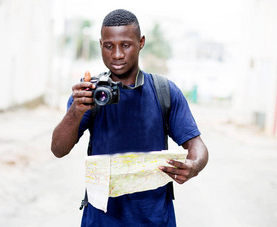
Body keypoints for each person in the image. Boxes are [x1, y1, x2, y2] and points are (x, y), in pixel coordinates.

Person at [51, 9, 208, 226]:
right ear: (100, 45)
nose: (116, 54)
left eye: (125, 45)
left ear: (141, 42)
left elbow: (197, 145)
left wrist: (194, 166)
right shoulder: (90, 93)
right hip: (101, 220)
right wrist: (76, 111)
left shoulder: (165, 91)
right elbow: (58, 149)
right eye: (109, 46)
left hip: (155, 219)